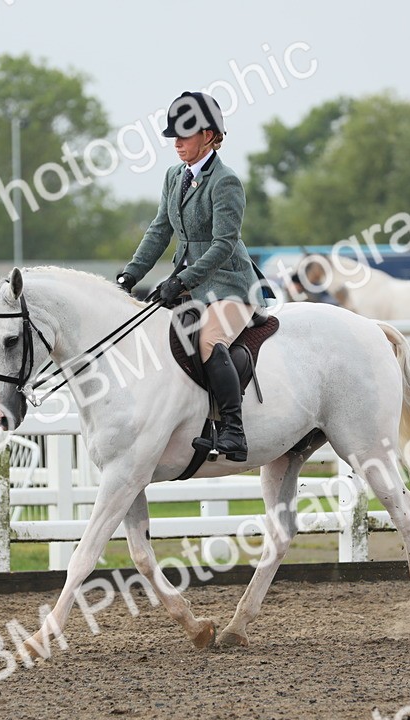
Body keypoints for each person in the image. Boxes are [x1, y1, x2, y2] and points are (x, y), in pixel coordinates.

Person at [115, 91, 265, 462]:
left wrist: (181, 280)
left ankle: (233, 429)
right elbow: (159, 231)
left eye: (186, 135)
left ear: (211, 136)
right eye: (174, 136)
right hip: (190, 285)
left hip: (230, 285)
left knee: (208, 342)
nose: (177, 143)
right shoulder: (173, 177)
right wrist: (129, 276)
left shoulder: (225, 182)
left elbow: (224, 245)